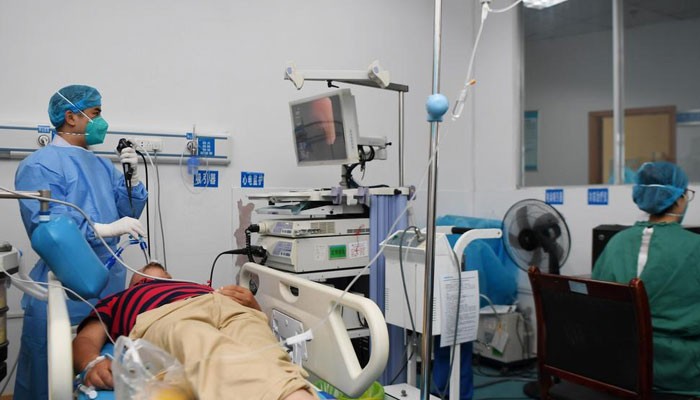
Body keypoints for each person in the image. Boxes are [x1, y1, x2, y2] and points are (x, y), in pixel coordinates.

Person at [14, 84, 148, 399]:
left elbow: (128, 214)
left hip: (109, 283)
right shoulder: (40, 165)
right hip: (63, 282)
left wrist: (132, 179)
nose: (101, 122)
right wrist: (105, 228)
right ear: (71, 117)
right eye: (95, 113)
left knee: (101, 372)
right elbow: (51, 226)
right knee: (50, 375)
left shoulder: (101, 165)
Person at [73, 263, 318, 400]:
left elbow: (262, 325)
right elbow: (85, 338)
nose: (157, 281)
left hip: (227, 305)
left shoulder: (198, 286)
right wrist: (91, 363)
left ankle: (293, 391)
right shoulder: (118, 299)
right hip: (166, 315)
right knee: (202, 345)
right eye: (144, 280)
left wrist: (253, 305)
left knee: (266, 351)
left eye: (165, 278)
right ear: (133, 285)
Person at [592, 161, 700, 395]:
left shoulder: (616, 243)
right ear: (680, 199)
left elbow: (595, 302)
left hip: (622, 363)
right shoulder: (695, 247)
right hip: (679, 371)